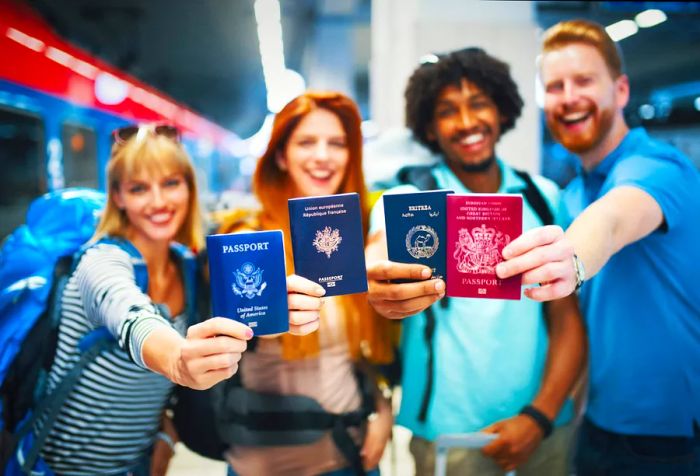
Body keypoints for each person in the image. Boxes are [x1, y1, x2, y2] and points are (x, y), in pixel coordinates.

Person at [17, 124, 320, 476]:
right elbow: (129, 315)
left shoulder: (189, 268)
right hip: (53, 468)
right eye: (139, 188)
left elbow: (241, 326)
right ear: (118, 197)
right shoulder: (100, 262)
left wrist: (279, 313)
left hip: (139, 467)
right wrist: (177, 359)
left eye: (171, 183)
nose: (159, 202)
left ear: (189, 188)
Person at [364, 48, 586, 475]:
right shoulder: (414, 200)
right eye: (448, 111)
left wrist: (539, 417)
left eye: (479, 103)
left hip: (544, 426)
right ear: (429, 126)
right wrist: (378, 277)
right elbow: (381, 244)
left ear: (502, 109)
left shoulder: (542, 197)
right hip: (451, 433)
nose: (466, 123)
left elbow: (566, 318)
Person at [494, 19, 700, 475]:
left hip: (668, 442)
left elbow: (613, 219)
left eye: (584, 81)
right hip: (595, 427)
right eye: (554, 86)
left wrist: (570, 257)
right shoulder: (570, 195)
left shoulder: (660, 167)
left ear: (621, 90)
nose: (568, 97)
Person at [217, 91, 395, 476]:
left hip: (351, 458)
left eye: (337, 143)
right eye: (306, 142)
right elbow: (222, 351)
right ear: (280, 155)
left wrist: (382, 409)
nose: (323, 156)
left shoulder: (360, 242)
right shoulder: (244, 241)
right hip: (264, 465)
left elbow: (356, 356)